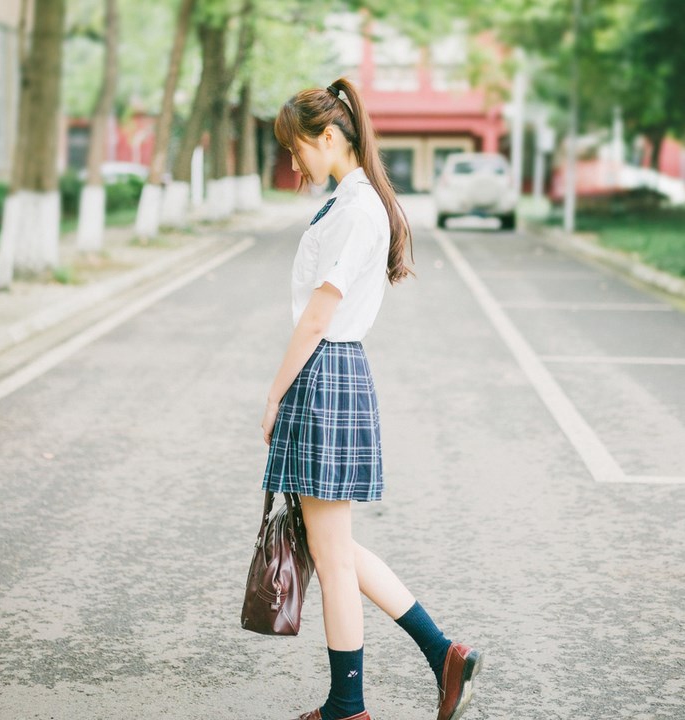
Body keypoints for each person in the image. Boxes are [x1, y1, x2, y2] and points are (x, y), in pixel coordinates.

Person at [260, 78, 483, 720]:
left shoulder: (357, 210)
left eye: (297, 148)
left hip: (325, 371)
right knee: (332, 545)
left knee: (330, 553)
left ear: (329, 137)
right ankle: (442, 654)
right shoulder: (350, 202)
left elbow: (317, 316)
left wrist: (275, 394)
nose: (294, 162)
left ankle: (349, 705)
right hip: (333, 373)